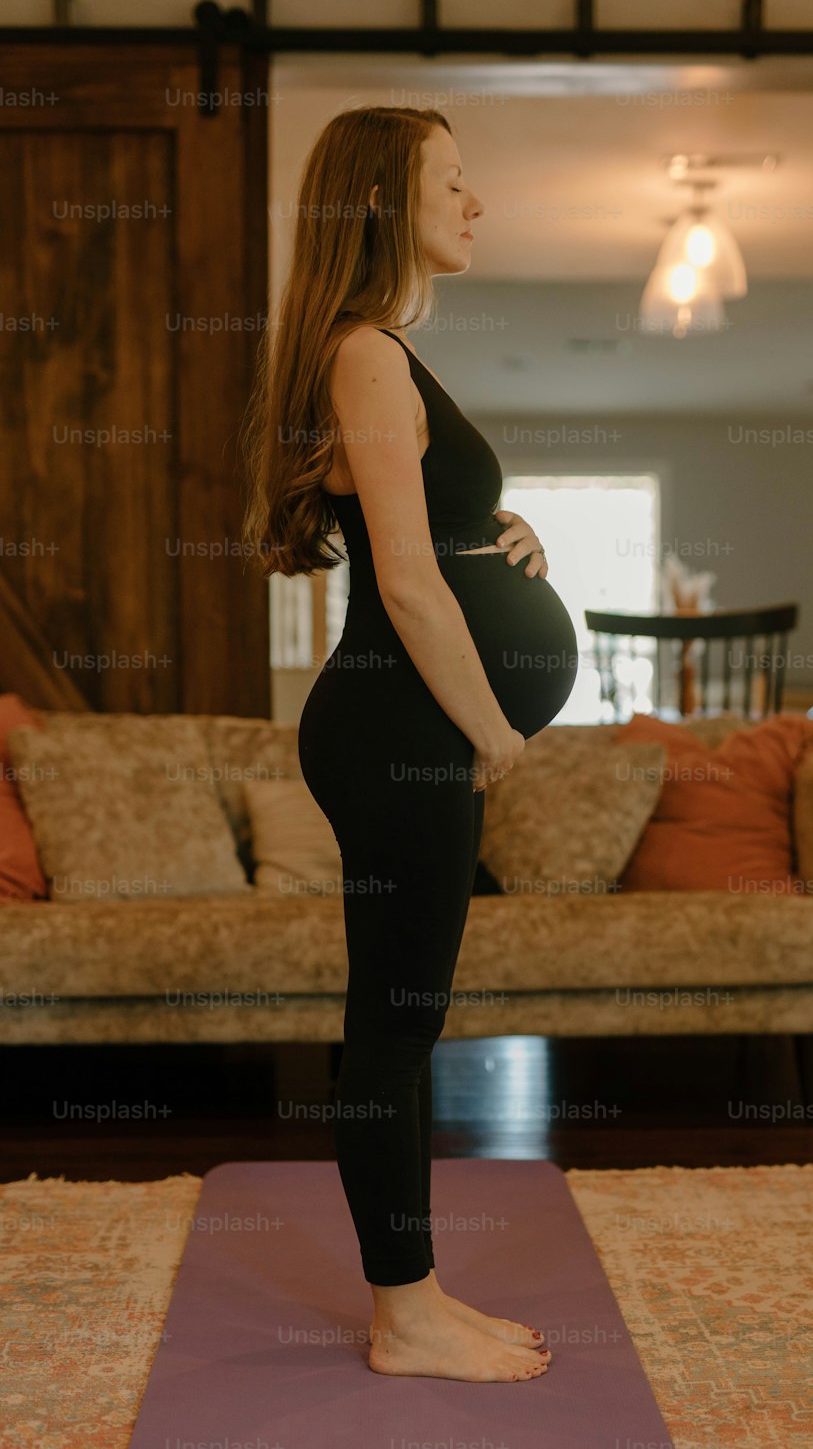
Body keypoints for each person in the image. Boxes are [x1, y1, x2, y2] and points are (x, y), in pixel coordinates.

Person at [242, 106, 579, 1383]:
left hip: (402, 728)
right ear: (385, 200)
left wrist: (506, 525)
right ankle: (406, 1317)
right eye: (454, 180)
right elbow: (410, 590)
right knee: (392, 1024)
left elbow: (432, 539)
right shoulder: (365, 352)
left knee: (407, 1016)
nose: (476, 202)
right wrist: (492, 728)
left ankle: (419, 1296)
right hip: (404, 731)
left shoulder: (377, 358)